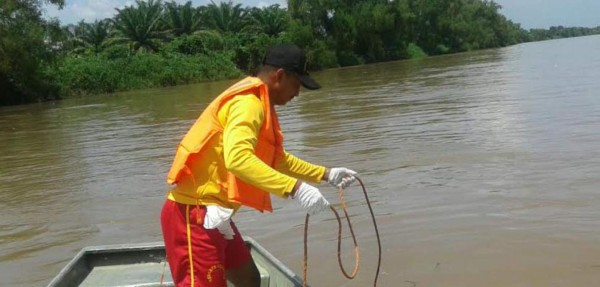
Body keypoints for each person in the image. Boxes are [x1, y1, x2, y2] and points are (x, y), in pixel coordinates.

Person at [161, 44, 358, 287]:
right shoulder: (249, 104)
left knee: (249, 279)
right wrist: (296, 189)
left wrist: (326, 174)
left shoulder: (261, 103)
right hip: (193, 214)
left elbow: (277, 159)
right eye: (297, 84)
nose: (297, 93)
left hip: (216, 214)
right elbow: (238, 158)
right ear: (280, 76)